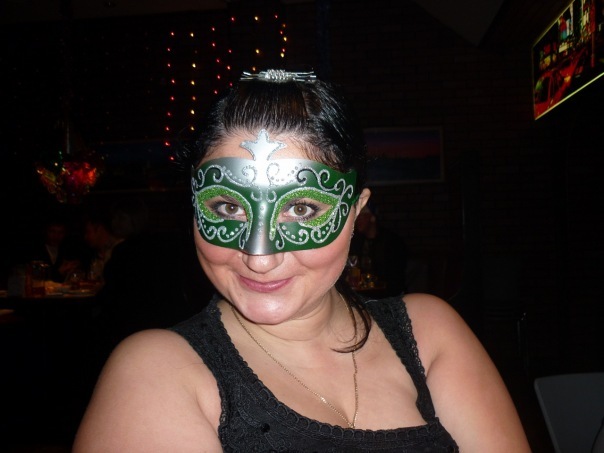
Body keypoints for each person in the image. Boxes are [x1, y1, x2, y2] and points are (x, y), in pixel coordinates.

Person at [73, 69, 530, 452]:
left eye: (303, 208)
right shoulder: (156, 373)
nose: (259, 256)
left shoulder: (431, 333)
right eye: (228, 206)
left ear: (355, 213)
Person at [349, 202, 408, 294]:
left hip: (386, 294)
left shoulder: (391, 242)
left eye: (362, 216)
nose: (358, 220)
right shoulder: (356, 241)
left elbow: (395, 276)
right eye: (357, 217)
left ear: (372, 218)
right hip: (363, 294)